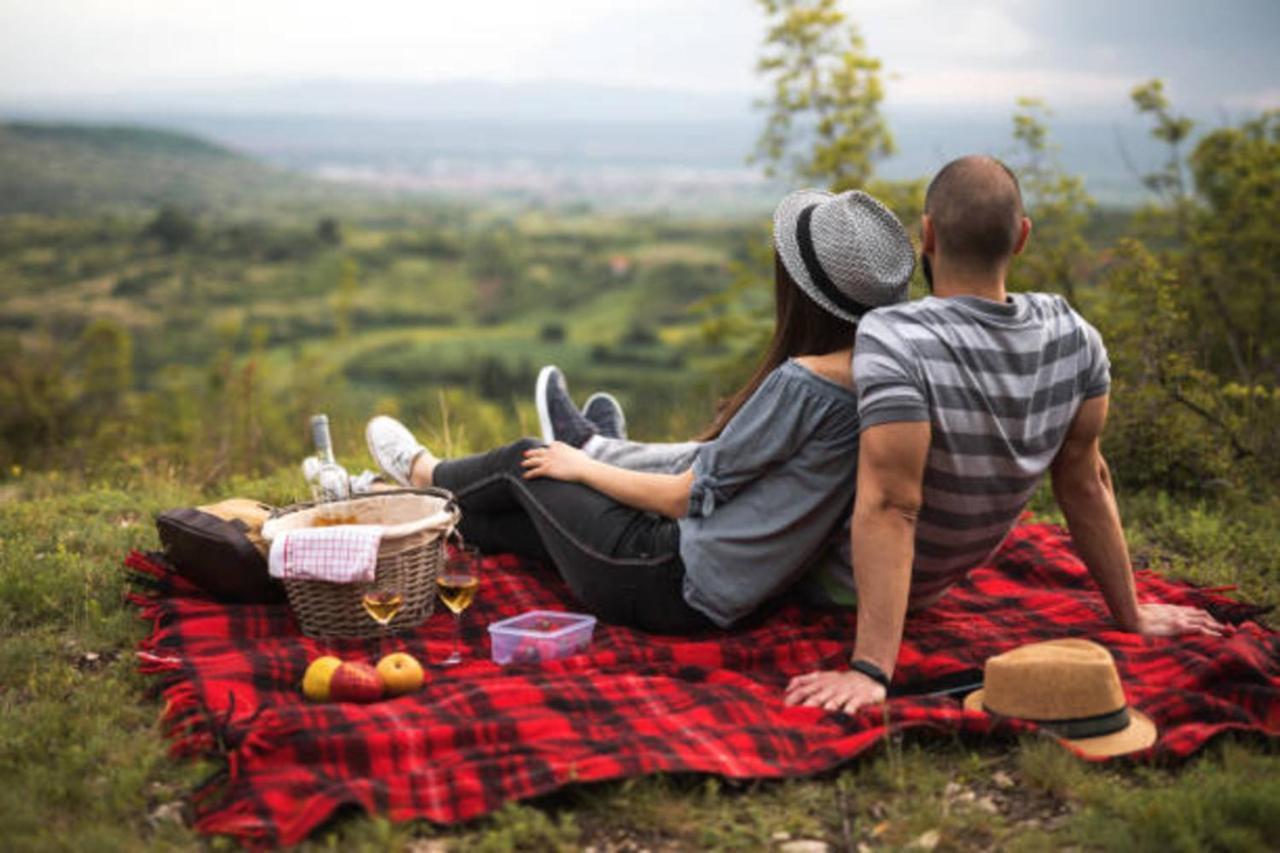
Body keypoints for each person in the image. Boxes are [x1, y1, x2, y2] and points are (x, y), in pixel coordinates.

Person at [784, 156, 1229, 714]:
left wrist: (871, 670)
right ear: (1022, 237)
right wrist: (1131, 613)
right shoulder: (1075, 336)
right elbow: (1085, 481)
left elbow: (892, 504)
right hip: (937, 583)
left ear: (927, 235)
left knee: (677, 502)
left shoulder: (895, 338)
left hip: (831, 585)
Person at [364, 188, 915, 633]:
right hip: (738, 590)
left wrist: (582, 466)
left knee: (525, 459)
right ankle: (383, 509)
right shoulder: (886, 378)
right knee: (510, 522)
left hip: (670, 582)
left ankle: (419, 475)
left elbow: (684, 497)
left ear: (798, 291)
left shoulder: (805, 385)